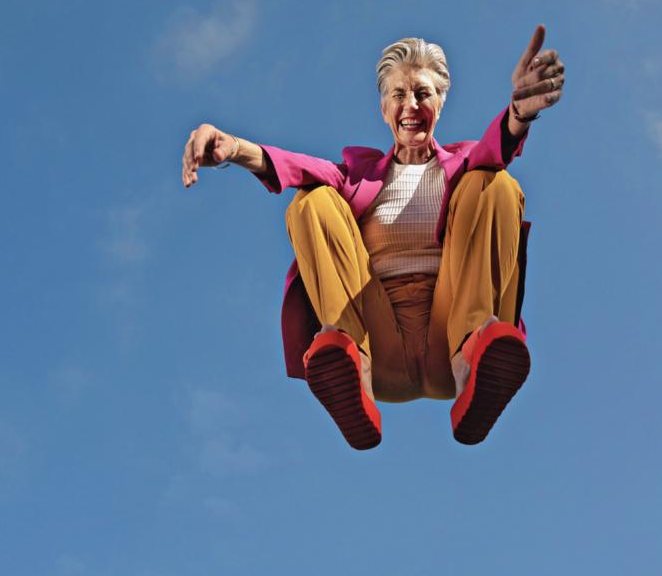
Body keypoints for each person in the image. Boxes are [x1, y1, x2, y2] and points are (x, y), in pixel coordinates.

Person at [181, 24, 565, 450]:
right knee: (312, 200)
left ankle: (471, 363)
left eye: (423, 93)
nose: (411, 104)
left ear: (441, 102)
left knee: (495, 183)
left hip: (452, 332)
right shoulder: (357, 176)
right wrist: (233, 147)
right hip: (379, 343)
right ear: (384, 109)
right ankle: (352, 368)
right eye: (399, 94)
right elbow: (295, 166)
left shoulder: (465, 164)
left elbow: (497, 147)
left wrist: (519, 112)